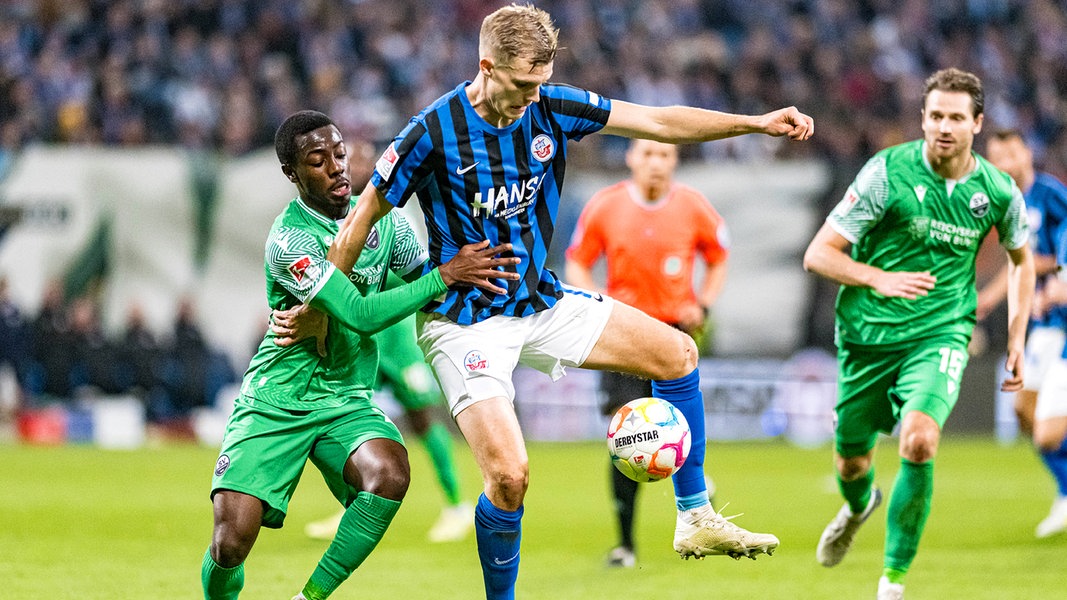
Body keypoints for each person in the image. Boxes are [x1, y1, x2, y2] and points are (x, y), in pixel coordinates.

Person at [320, 5, 812, 598]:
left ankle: (695, 515)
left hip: (540, 302)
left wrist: (754, 124)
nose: (533, 96)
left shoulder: (553, 104)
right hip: (464, 323)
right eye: (523, 84)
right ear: (487, 66)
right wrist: (326, 308)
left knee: (678, 353)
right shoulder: (431, 131)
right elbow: (362, 218)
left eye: (541, 82)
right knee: (509, 477)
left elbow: (658, 121)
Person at [200, 110, 519, 600]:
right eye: (317, 160)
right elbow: (361, 314)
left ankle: (308, 598)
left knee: (390, 472)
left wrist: (478, 278)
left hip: (345, 397)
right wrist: (446, 274)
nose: (336, 167)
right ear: (292, 173)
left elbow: (427, 289)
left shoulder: (386, 223)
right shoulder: (291, 240)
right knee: (231, 543)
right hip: (276, 398)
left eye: (339, 154)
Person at [803, 68, 1035, 600]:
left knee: (920, 440)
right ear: (923, 120)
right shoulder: (886, 173)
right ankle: (860, 504)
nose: (944, 127)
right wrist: (877, 277)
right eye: (935, 116)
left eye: (956, 117)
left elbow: (1023, 264)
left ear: (977, 124)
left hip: (941, 334)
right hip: (867, 336)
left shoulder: (998, 191)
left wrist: (1016, 338)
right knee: (852, 460)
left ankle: (892, 581)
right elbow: (819, 255)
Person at [288, 138, 475, 545]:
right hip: (357, 342)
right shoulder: (329, 221)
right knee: (343, 424)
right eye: (339, 161)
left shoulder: (389, 215)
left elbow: (410, 274)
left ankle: (456, 505)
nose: (343, 168)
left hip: (397, 337)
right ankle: (351, 505)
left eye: (351, 160)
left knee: (425, 418)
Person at [564, 138, 729, 568]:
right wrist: (594, 298)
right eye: (648, 154)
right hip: (622, 331)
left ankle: (689, 484)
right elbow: (577, 260)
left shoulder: (693, 206)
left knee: (667, 428)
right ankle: (626, 545)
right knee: (626, 434)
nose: (655, 163)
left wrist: (704, 303)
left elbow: (718, 256)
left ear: (674, 161)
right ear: (632, 158)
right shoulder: (605, 205)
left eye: (664, 155)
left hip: (674, 332)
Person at [981, 130, 1067, 538]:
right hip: (1043, 323)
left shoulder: (1051, 195)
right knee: (1022, 412)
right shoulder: (1008, 204)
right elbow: (1021, 264)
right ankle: (1066, 490)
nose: (1004, 162)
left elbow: (1042, 260)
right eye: (996, 156)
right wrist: (988, 300)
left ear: (1026, 153)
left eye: (1010, 152)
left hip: (1060, 322)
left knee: (1047, 428)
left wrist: (1054, 283)